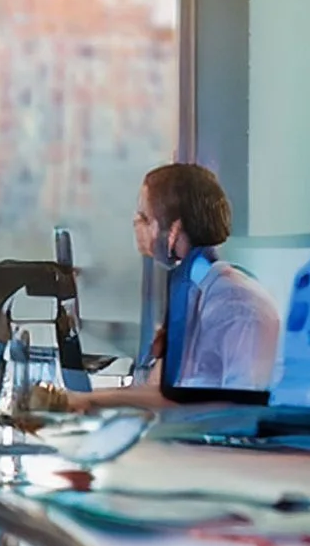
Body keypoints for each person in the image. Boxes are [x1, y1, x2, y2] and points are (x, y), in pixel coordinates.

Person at [76, 162, 280, 410]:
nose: (135, 224)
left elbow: (229, 409)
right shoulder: (193, 291)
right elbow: (164, 391)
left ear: (174, 230)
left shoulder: (236, 305)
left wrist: (82, 400)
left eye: (145, 218)